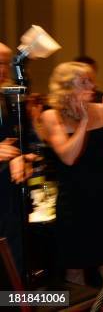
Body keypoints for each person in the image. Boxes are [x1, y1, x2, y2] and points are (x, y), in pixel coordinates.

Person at [40, 62, 103, 298]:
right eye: (84, 81)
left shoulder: (99, 109)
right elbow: (68, 157)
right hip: (74, 203)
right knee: (74, 272)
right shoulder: (51, 115)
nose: (92, 85)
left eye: (91, 80)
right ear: (66, 87)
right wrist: (85, 122)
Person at [0, 43, 35, 277]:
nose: (3, 69)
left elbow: (15, 144)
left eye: (4, 62)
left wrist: (23, 158)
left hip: (9, 203)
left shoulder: (6, 100)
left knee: (14, 277)